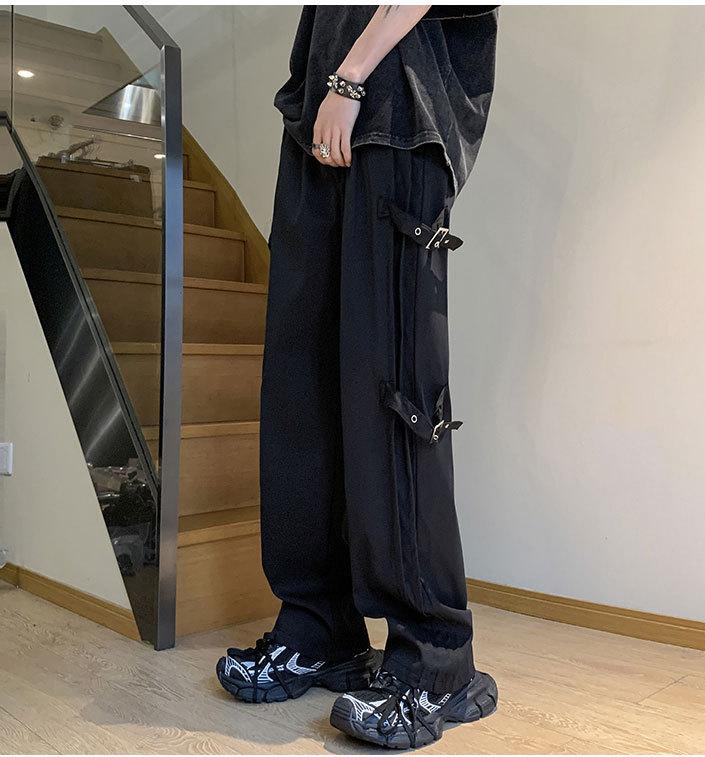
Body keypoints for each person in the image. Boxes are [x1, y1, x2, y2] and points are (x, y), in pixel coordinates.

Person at [216, 5, 499, 749]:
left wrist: (351, 77)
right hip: (319, 116)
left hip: (399, 107)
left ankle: (435, 657)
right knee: (301, 386)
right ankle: (320, 624)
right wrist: (330, 88)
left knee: (394, 393)